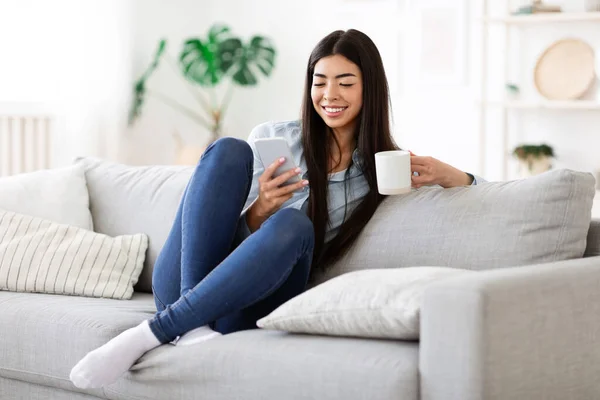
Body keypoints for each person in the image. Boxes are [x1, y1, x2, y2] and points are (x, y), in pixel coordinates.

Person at [69, 29, 484, 389]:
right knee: (228, 149)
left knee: (294, 225)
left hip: (252, 300)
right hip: (184, 284)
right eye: (319, 82)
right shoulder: (274, 138)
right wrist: (258, 212)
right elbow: (216, 234)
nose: (329, 95)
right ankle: (190, 325)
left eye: (345, 82)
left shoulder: (381, 170)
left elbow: (490, 196)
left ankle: (156, 332)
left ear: (369, 89)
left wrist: (454, 175)